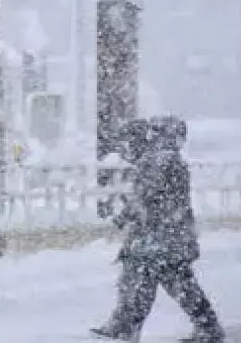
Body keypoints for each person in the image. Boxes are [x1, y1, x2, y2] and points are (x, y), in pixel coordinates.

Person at [92, 116, 226, 343]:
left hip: (158, 236)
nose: (125, 150)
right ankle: (207, 325)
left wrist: (123, 218)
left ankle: (125, 325)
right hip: (171, 235)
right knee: (176, 282)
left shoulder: (157, 161)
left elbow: (144, 196)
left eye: (127, 143)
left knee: (141, 278)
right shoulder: (169, 159)